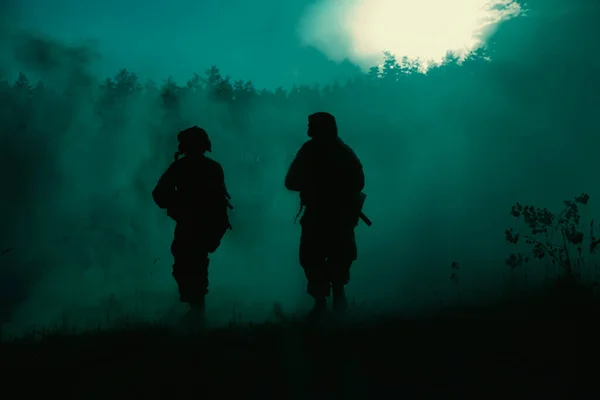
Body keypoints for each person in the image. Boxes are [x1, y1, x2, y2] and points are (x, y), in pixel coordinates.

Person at [285, 112, 366, 315]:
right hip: (327, 215)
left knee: (334, 258)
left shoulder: (330, 152)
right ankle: (324, 301)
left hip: (333, 215)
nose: (308, 129)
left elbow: (357, 183)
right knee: (314, 259)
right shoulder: (331, 151)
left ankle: (332, 300)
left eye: (312, 125)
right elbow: (291, 181)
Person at [152, 126, 231, 318]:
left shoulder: (186, 167)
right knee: (190, 266)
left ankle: (196, 309)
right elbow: (160, 194)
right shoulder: (209, 167)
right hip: (197, 225)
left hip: (196, 225)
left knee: (189, 266)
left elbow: (160, 194)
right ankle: (196, 308)